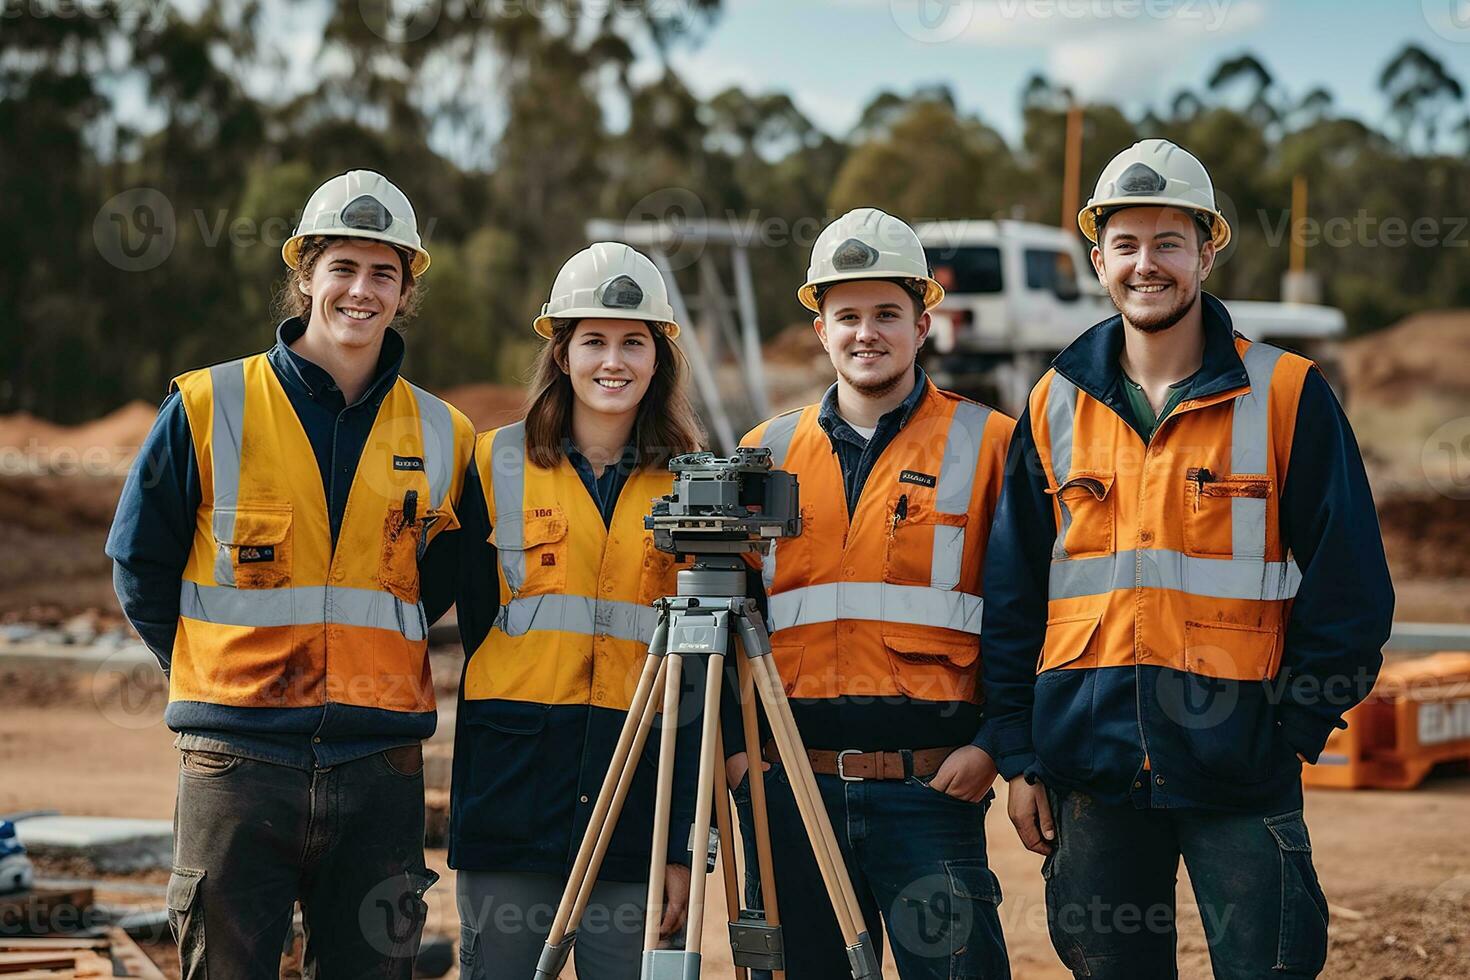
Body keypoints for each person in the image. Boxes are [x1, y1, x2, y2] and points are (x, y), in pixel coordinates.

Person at [983, 139, 1394, 979]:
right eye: (1126, 245)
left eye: (1169, 242)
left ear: (1208, 250)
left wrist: (1295, 727)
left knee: (1271, 966)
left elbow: (1352, 589)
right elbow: (1013, 592)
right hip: (1090, 772)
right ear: (1098, 259)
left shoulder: (1286, 395)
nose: (1147, 265)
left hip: (1240, 767)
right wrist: (1021, 758)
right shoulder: (1052, 404)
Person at [106, 170, 476, 976]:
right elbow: (140, 565)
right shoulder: (208, 407)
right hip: (236, 766)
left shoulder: (447, 435)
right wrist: (208, 672)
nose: (361, 290)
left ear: (407, 290)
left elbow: (434, 587)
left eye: (385, 273)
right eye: (342, 267)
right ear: (305, 275)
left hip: (380, 772)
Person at [727, 207, 1015, 979]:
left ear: (924, 324)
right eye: (846, 315)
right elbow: (733, 617)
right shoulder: (764, 453)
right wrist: (733, 752)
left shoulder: (991, 445)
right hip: (792, 793)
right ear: (819, 330)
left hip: (931, 793)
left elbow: (1027, 613)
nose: (866, 333)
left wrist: (999, 745)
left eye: (887, 313)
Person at [451, 242, 706, 979]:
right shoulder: (490, 464)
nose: (613, 361)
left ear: (660, 358)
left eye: (634, 342)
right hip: (510, 802)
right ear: (561, 353)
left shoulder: (693, 487)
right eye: (593, 340)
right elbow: (475, 621)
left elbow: (702, 680)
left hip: (638, 812)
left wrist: (687, 845)